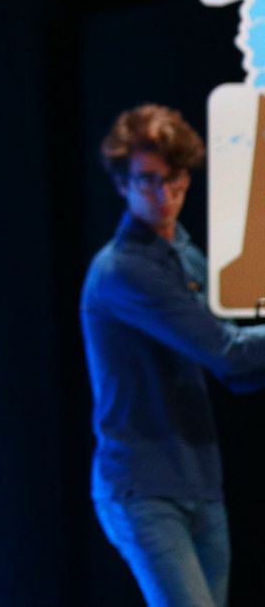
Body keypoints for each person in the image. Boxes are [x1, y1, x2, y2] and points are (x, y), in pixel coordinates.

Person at [83, 103, 265, 607]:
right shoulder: (123, 271)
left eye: (176, 179)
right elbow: (227, 352)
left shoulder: (182, 251)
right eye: (147, 181)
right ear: (122, 184)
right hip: (144, 488)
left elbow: (235, 366)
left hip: (200, 480)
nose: (164, 195)